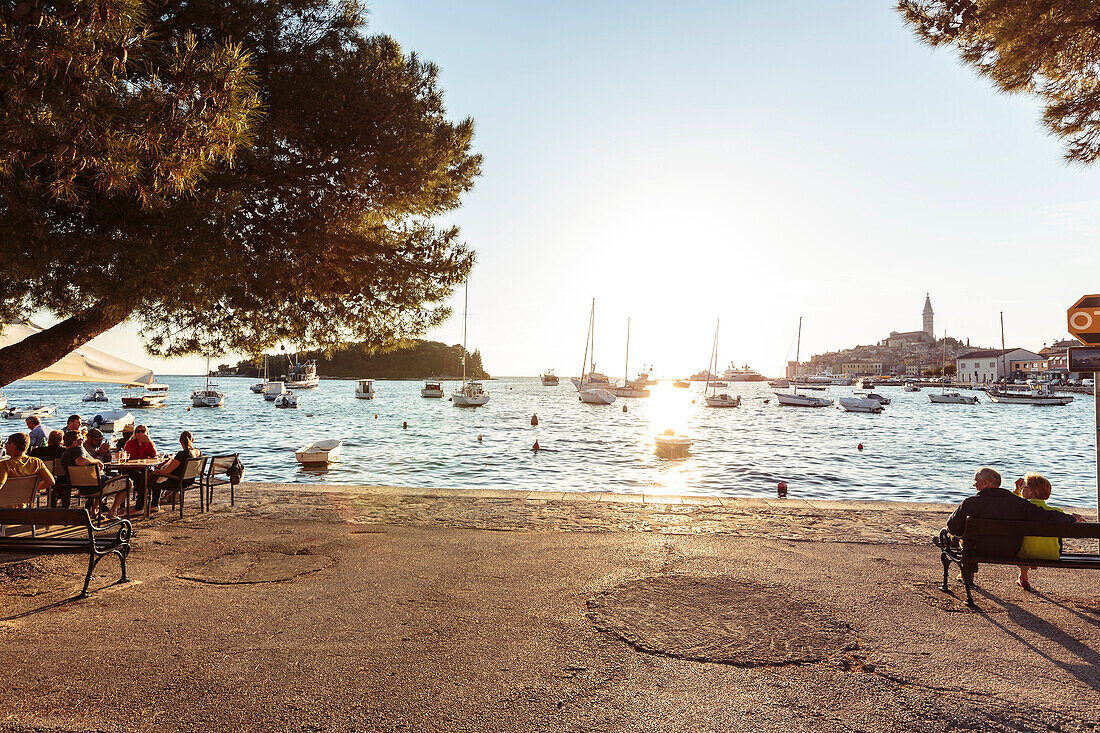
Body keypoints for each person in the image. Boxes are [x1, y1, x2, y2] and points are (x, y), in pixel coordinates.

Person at [946, 468, 1081, 561]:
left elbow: (953, 528)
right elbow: (1046, 516)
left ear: (986, 483)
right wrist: (1071, 518)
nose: (974, 484)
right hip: (1008, 551)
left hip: (976, 550)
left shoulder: (970, 503)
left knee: (964, 537)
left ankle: (967, 571)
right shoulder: (1018, 503)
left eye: (976, 481)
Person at [1013, 473, 1066, 591]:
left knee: (1022, 544)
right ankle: (1023, 577)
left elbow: (1008, 504)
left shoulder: (1020, 511)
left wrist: (1016, 491)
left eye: (1023, 487)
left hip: (1025, 554)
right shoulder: (1057, 512)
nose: (1021, 489)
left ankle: (1024, 576)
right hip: (1051, 554)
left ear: (1032, 493)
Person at [61, 429, 126, 519]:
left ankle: (94, 510)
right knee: (127, 482)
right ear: (75, 442)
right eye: (81, 440)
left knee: (112, 477)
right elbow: (80, 461)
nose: (83, 441)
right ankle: (113, 512)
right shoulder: (78, 449)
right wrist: (97, 461)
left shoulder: (64, 454)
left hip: (82, 487)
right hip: (97, 486)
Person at [151, 431, 202, 511]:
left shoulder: (181, 454)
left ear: (180, 441)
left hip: (178, 482)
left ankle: (154, 505)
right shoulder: (198, 452)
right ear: (193, 440)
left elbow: (166, 471)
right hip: (190, 480)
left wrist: (155, 472)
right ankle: (169, 495)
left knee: (154, 482)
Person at [0, 432, 55, 507]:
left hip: (5, 508)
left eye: (7, 444)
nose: (5, 447)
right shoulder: (36, 462)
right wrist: (29, 490)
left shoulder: (5, 465)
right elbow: (50, 481)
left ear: (13, 445)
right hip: (24, 507)